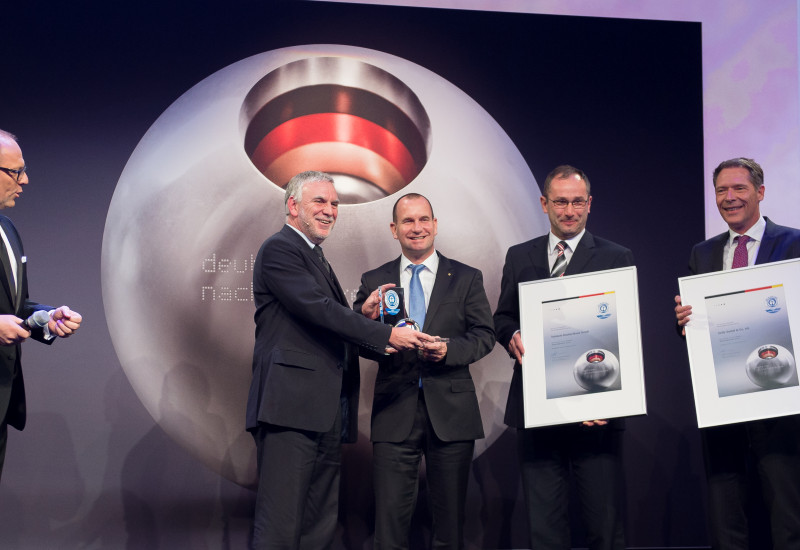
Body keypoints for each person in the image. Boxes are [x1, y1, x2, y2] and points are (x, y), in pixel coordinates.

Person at [245, 171, 431, 550]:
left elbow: (328, 321)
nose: (330, 211)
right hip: (289, 411)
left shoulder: (315, 257)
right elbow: (318, 310)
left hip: (324, 412)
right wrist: (385, 334)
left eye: (334, 204)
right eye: (320, 202)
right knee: (280, 525)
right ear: (293, 206)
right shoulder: (279, 249)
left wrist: (364, 316)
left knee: (318, 525)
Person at [494, 165, 631, 550]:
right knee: (545, 529)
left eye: (576, 202)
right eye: (560, 202)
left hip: (597, 410)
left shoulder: (615, 257)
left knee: (604, 526)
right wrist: (512, 335)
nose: (569, 211)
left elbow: (625, 334)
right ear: (544, 204)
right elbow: (503, 317)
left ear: (589, 204)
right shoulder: (520, 256)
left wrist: (612, 399)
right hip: (538, 409)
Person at [353, 193, 495, 549]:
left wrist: (448, 351)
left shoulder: (465, 277)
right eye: (408, 222)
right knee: (389, 529)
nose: (417, 228)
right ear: (394, 229)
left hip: (451, 413)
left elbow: (484, 336)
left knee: (450, 527)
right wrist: (367, 323)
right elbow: (354, 339)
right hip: (394, 410)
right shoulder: (375, 280)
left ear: (435, 225)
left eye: (423, 220)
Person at [674, 158, 800, 549]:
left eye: (739, 189)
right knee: (725, 512)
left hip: (780, 401)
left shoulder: (794, 244)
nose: (729, 198)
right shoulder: (703, 253)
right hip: (724, 403)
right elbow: (697, 330)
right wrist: (683, 320)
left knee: (787, 511)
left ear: (759, 193)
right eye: (721, 190)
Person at [0, 129, 82, 479]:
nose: (26, 180)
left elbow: (16, 305)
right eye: (16, 171)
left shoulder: (8, 229)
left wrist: (46, 319)